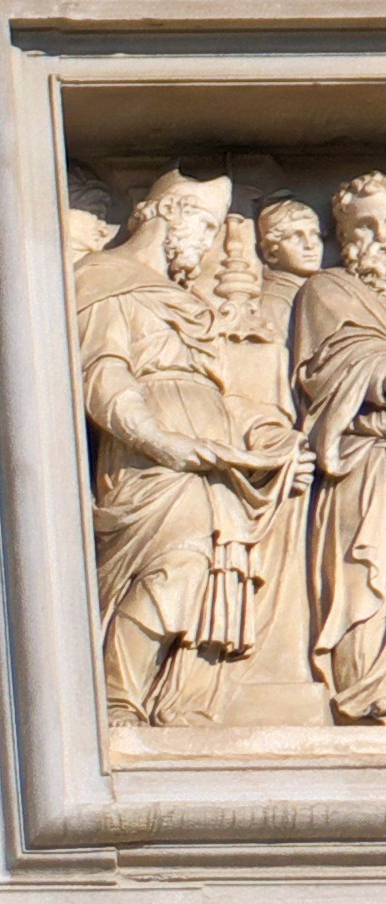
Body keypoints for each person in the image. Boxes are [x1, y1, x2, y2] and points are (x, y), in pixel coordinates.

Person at [80, 170, 294, 727]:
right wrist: (160, 440)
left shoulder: (185, 302)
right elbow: (105, 375)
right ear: (169, 213)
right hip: (155, 455)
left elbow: (220, 389)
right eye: (202, 228)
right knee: (173, 563)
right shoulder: (103, 280)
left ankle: (180, 702)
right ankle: (119, 699)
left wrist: (266, 436)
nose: (204, 246)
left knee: (213, 572)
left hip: (211, 451)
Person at [300, 172, 386, 723]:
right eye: (368, 227)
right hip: (368, 461)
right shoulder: (328, 290)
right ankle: (371, 690)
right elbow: (339, 368)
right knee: (369, 575)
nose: (382, 239)